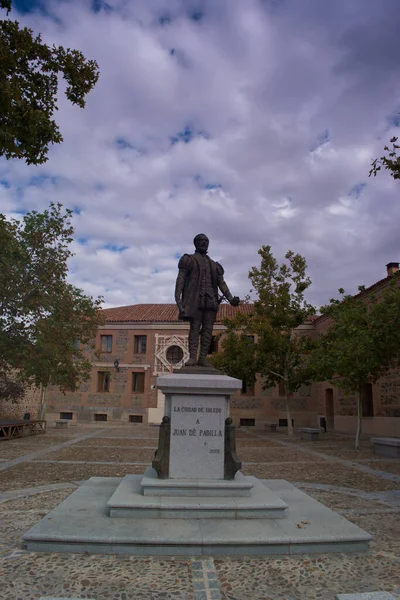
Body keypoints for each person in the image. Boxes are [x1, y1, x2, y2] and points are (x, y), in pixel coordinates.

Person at [175, 234, 240, 367]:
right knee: (194, 328)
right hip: (195, 300)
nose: (204, 243)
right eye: (201, 241)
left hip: (210, 300)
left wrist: (231, 298)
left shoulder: (214, 265)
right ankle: (193, 357)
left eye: (206, 241)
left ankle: (202, 358)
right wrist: (178, 299)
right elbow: (180, 280)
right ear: (196, 243)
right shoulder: (188, 260)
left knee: (208, 330)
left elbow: (222, 283)